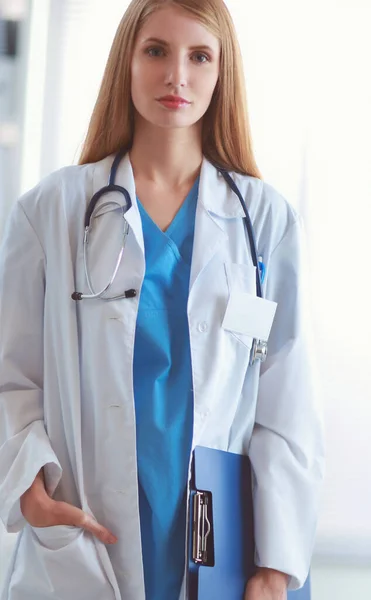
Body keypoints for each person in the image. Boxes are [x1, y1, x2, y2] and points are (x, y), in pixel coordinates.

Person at [0, 1, 325, 599]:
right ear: (126, 61)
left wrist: (275, 566)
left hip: (224, 540)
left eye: (199, 56)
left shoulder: (266, 221)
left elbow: (288, 403)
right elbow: (12, 375)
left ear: (222, 73)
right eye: (156, 51)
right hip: (89, 527)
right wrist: (28, 485)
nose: (177, 76)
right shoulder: (53, 211)